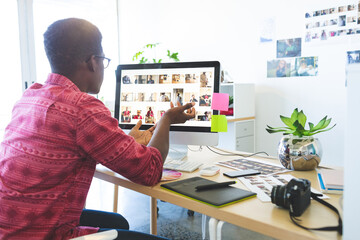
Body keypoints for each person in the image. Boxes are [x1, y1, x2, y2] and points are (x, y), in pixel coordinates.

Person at [0, 18, 196, 240]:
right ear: (93, 62)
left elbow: (71, 146)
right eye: (104, 60)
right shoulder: (83, 108)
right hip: (45, 234)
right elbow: (149, 171)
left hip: (11, 227)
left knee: (117, 222)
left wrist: (126, 142)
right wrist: (166, 120)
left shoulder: (30, 96)